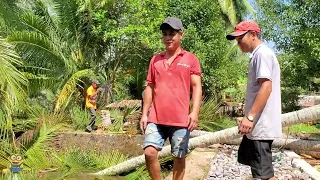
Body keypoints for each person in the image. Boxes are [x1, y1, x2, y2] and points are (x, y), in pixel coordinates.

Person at [140, 17, 202, 180]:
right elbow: (150, 87)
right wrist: (145, 114)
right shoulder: (155, 59)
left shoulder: (191, 59)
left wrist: (194, 113)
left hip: (181, 119)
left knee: (179, 157)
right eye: (165, 34)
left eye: (172, 34)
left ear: (181, 35)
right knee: (149, 152)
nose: (168, 37)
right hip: (156, 118)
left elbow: (196, 87)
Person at [226, 20, 282, 180]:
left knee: (265, 175)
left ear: (253, 35)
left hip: (260, 126)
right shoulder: (258, 55)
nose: (238, 44)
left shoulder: (262, 54)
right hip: (257, 127)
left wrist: (250, 117)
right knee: (259, 171)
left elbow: (266, 87)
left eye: (240, 39)